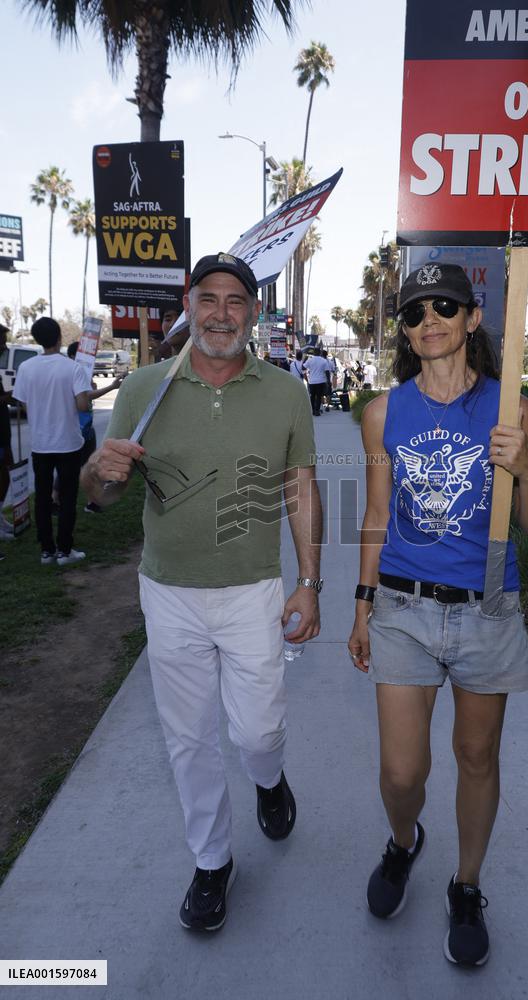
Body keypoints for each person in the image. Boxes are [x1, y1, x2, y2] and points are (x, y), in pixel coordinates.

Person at [81, 252, 323, 934]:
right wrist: (99, 472)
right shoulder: (144, 389)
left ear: (253, 313)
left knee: (258, 730)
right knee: (188, 737)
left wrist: (309, 582)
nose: (221, 313)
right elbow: (101, 497)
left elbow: (301, 488)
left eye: (235, 300)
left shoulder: (285, 392)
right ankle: (213, 862)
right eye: (208, 298)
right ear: (189, 306)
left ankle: (269, 780)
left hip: (253, 590)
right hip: (169, 592)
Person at [347, 263, 528, 968]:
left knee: (476, 756)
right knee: (402, 773)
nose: (428, 319)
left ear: (472, 318)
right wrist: (362, 605)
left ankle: (466, 884)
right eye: (414, 312)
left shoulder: (512, 408)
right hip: (403, 607)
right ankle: (404, 842)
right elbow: (377, 515)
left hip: (487, 608)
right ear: (405, 333)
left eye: (444, 306)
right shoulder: (383, 413)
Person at [12, 318, 95, 566]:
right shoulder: (73, 368)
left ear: (37, 339)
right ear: (59, 337)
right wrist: (84, 394)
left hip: (40, 444)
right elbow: (83, 405)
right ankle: (65, 550)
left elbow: (23, 403)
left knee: (42, 497)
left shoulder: (26, 368)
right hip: (68, 443)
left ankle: (46, 550)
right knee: (68, 497)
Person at [64, 341, 123, 513]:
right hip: (77, 429)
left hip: (87, 427)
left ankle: (92, 501)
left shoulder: (81, 372)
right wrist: (111, 386)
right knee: (71, 468)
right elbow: (87, 397)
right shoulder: (71, 372)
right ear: (73, 356)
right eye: (85, 356)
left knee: (90, 465)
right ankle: (58, 500)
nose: (90, 359)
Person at [0, 324, 16, 543]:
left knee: (6, 472)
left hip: (4, 433)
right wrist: (12, 394)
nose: (5, 346)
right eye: (2, 341)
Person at [303, 346, 329, 416]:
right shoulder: (324, 360)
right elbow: (327, 372)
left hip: (312, 381)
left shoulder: (310, 360)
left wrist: (305, 359)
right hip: (321, 381)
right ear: (320, 353)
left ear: (313, 353)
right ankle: (317, 410)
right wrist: (328, 381)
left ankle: (313, 410)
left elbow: (303, 367)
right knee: (319, 396)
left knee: (312, 396)